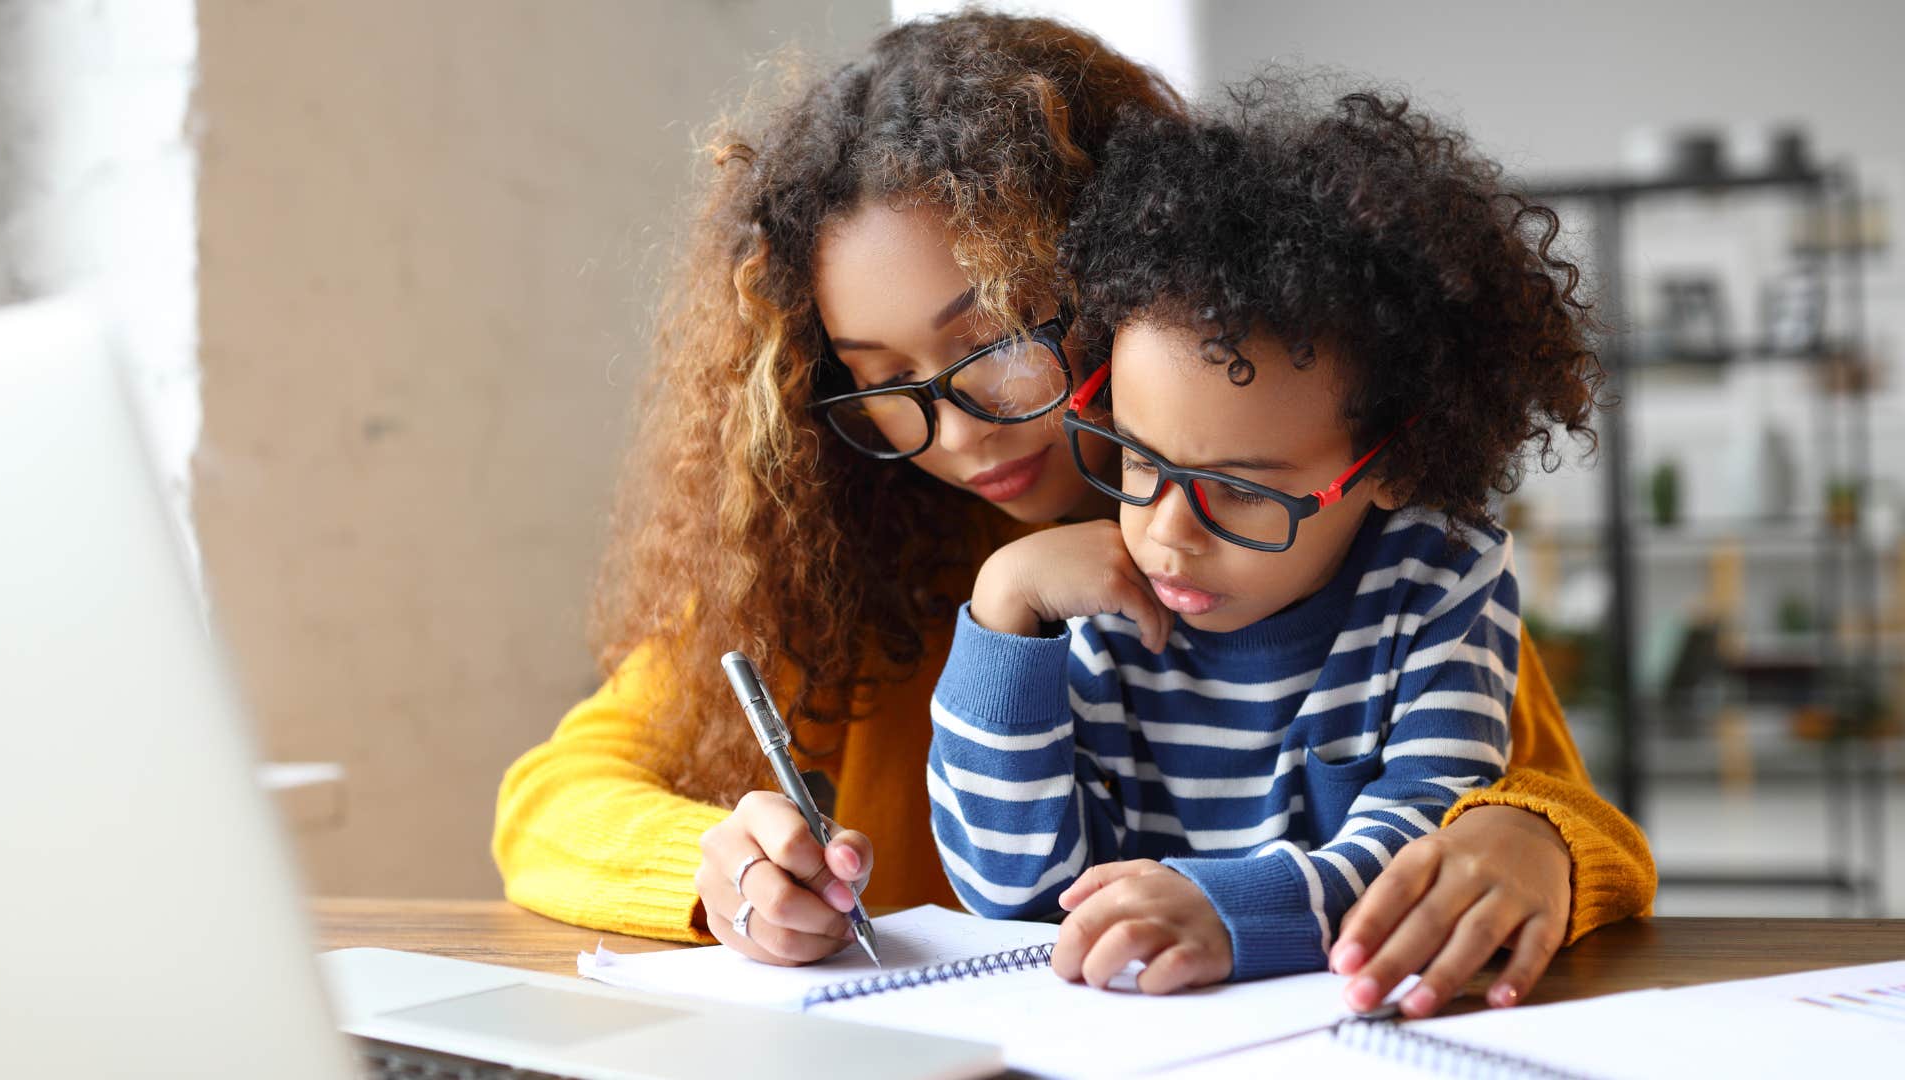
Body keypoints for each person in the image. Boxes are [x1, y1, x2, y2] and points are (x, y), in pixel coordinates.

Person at [492, 13, 1654, 1017]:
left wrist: (1536, 839)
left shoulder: (1331, 539)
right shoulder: (832, 555)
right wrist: (716, 869)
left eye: (994, 344)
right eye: (882, 381)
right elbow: (554, 797)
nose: (956, 433)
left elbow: (1529, 796)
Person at [931, 78, 1595, 998]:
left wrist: (1233, 909)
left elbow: (1425, 836)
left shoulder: (1440, 578)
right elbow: (1012, 889)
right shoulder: (1093, 596)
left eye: (1239, 491)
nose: (1167, 534)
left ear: (1390, 464)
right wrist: (1004, 611)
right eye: (1136, 459)